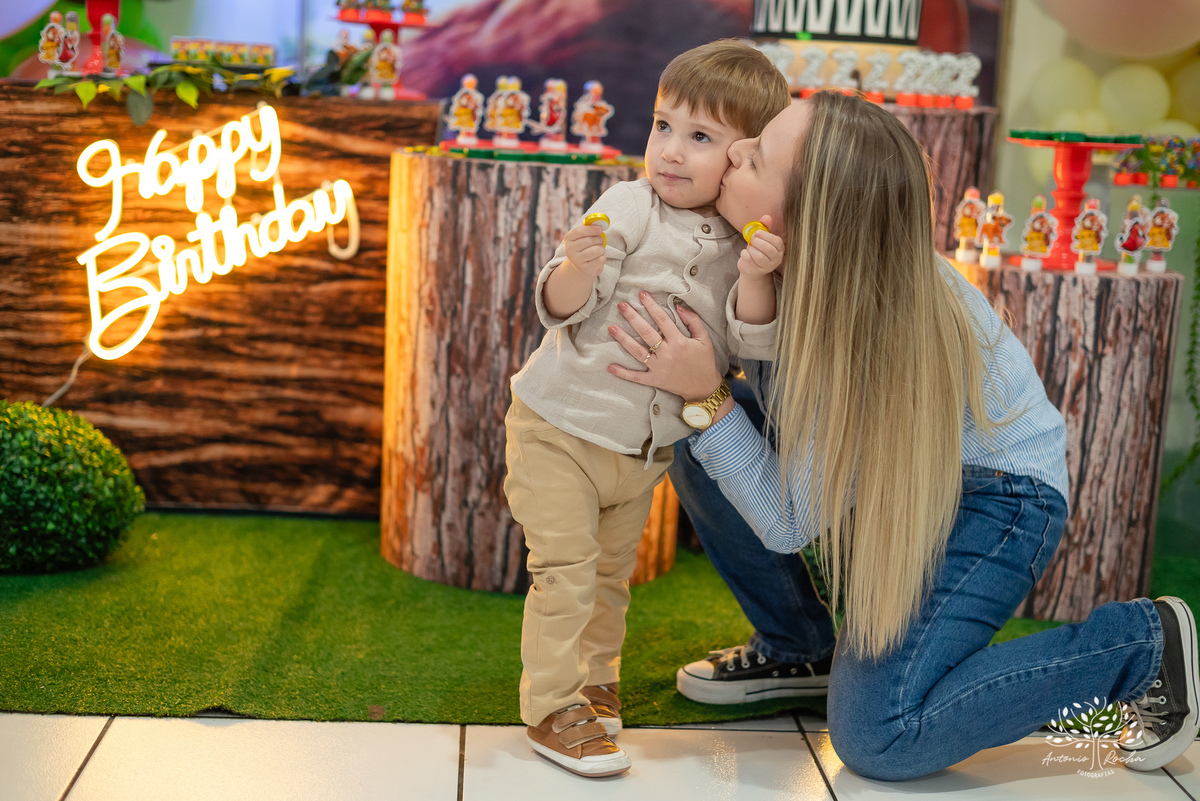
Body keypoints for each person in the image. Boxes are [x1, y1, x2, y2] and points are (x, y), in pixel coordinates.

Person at [605, 90, 1199, 781]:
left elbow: (790, 519)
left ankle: (1139, 645)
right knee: (701, 431)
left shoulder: (862, 333)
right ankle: (803, 644)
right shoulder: (814, 264)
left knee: (881, 734)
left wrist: (704, 394)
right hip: (925, 475)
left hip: (1002, 500)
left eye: (756, 155)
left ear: (800, 215)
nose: (734, 151)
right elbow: (770, 392)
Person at [503, 40, 791, 778]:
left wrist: (758, 277)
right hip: (559, 429)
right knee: (566, 571)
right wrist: (576, 268)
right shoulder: (630, 203)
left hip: (639, 457)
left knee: (607, 579)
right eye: (664, 125)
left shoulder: (741, 240)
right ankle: (551, 707)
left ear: (743, 157)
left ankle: (595, 684)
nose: (669, 150)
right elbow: (560, 308)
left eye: (700, 137)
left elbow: (747, 335)